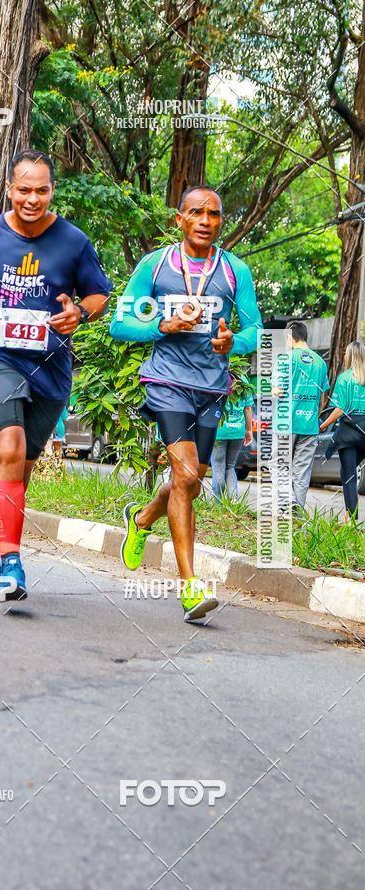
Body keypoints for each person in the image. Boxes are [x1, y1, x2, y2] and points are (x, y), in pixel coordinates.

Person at [0, 149, 112, 601]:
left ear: (52, 191)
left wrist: (79, 313)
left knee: (21, 466)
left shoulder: (74, 241)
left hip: (50, 367)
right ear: (9, 189)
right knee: (7, 445)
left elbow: (97, 296)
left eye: (42, 190)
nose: (32, 198)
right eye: (24, 190)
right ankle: (12, 562)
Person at [110, 184, 262, 622]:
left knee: (191, 483)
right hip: (167, 381)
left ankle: (140, 520)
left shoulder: (235, 271)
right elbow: (121, 324)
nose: (205, 221)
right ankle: (191, 586)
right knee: (186, 473)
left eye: (213, 214)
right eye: (196, 213)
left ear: (220, 222)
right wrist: (165, 324)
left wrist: (234, 341)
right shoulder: (156, 267)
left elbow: (255, 332)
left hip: (211, 388)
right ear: (179, 220)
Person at [285, 320, 330, 510]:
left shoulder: (285, 358)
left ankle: (287, 505)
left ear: (289, 337)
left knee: (278, 466)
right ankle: (297, 513)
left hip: (286, 423)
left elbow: (275, 392)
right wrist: (314, 416)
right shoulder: (320, 362)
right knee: (301, 471)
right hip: (309, 425)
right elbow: (323, 398)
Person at [319, 341, 365, 521]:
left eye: (346, 353)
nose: (344, 356)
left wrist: (322, 426)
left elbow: (339, 409)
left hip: (349, 434)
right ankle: (349, 515)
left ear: (351, 356)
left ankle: (351, 519)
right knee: (352, 472)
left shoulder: (345, 378)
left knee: (349, 475)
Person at [211, 393, 253, 500]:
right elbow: (247, 408)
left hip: (219, 430)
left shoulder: (217, 378)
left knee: (218, 467)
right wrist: (249, 430)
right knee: (230, 466)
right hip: (237, 431)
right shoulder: (243, 380)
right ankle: (233, 500)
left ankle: (218, 503)